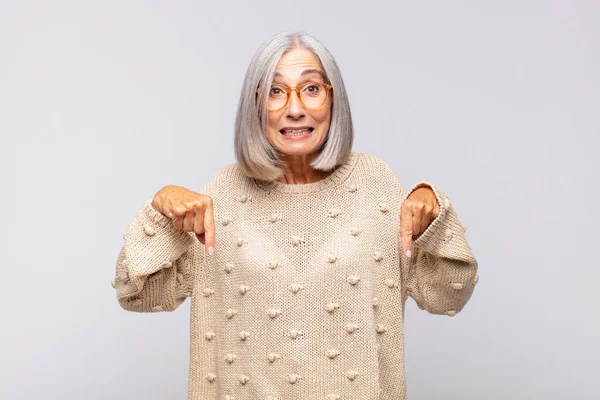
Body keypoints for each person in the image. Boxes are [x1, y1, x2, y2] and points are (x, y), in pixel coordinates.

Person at [113, 31, 479, 400]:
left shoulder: (377, 183)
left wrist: (433, 214)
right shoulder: (221, 192)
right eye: (275, 91)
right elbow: (136, 294)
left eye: (311, 88)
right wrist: (159, 212)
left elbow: (447, 296)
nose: (294, 108)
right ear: (253, 104)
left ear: (334, 98)